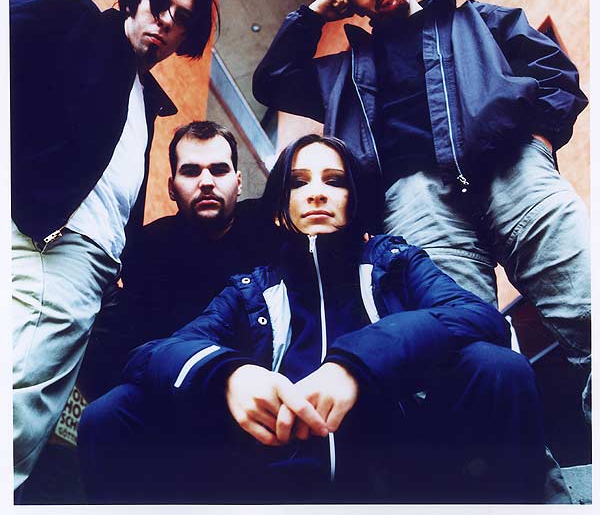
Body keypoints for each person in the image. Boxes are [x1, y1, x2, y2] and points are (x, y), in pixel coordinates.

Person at [78, 135, 546, 504]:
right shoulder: (251, 289)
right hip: (273, 481)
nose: (317, 192)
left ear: (352, 199)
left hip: (402, 476)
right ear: (280, 209)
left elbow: (477, 316)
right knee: (113, 412)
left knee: (496, 366)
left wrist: (355, 365)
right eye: (299, 182)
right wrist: (229, 375)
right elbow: (151, 356)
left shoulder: (395, 263)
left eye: (334, 181)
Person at [252, 0, 591, 415]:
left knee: (586, 301)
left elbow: (554, 72)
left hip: (509, 164)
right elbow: (273, 82)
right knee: (466, 351)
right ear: (354, 7)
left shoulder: (476, 20)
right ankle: (520, 461)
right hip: (415, 198)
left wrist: (539, 142)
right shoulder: (344, 72)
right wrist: (313, 14)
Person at [10, 0, 217, 492]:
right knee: (20, 401)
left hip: (92, 267)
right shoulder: (75, 20)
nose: (166, 22)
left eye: (183, 20)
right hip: (52, 241)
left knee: (31, 402)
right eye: (162, 4)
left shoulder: (143, 98)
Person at [78, 120, 276, 401]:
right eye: (191, 171)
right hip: (171, 387)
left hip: (257, 386)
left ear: (239, 182)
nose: (206, 182)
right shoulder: (147, 249)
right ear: (171, 188)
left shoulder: (268, 230)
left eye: (219, 170)